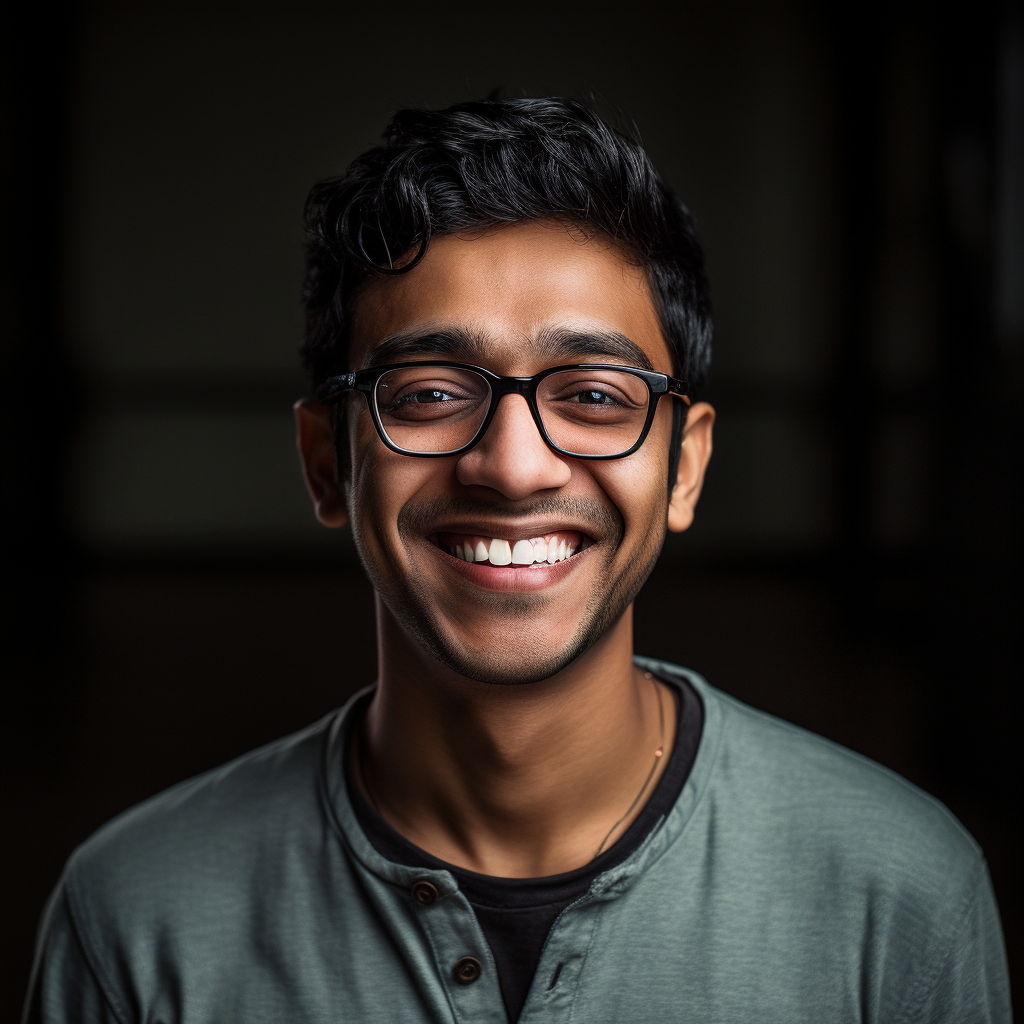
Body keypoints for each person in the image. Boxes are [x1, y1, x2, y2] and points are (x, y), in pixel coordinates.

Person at [24, 97, 1010, 1024]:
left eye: (592, 395)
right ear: (328, 462)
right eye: (427, 393)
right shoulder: (132, 920)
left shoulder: (900, 894)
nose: (512, 464)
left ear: (684, 465)